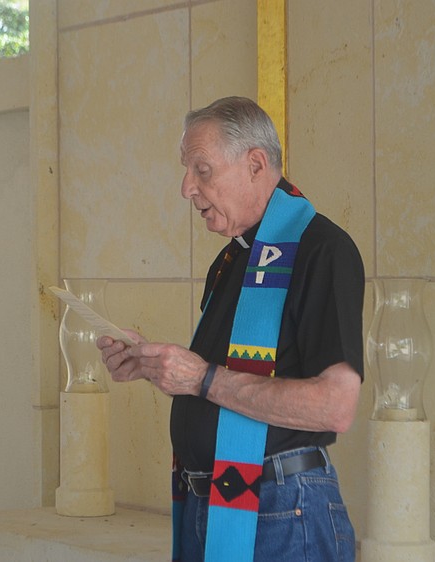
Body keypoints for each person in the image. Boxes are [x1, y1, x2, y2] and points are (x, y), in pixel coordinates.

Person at [97, 96, 364, 562]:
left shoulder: (322, 250)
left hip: (283, 510)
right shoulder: (234, 257)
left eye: (202, 170)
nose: (186, 188)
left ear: (256, 164)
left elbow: (335, 406)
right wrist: (157, 367)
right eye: (186, 170)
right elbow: (219, 384)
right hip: (218, 502)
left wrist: (200, 378)